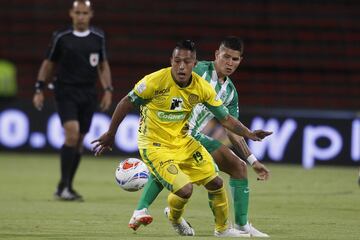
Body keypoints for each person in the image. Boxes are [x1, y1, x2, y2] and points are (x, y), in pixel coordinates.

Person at [92, 40, 272, 237]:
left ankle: (233, 228)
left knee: (225, 176)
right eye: (226, 57)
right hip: (164, 139)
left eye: (234, 59)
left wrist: (251, 148)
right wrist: (111, 134)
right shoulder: (184, 73)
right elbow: (128, 101)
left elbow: (228, 123)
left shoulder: (223, 91)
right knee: (181, 183)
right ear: (215, 55)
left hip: (185, 138)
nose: (229, 62)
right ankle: (145, 210)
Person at [32, 0, 113, 201]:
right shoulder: (61, 37)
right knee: (72, 134)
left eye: (84, 13)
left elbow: (102, 65)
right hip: (65, 91)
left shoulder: (98, 37)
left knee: (79, 142)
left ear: (91, 14)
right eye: (77, 12)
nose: (81, 16)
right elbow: (48, 63)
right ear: (71, 13)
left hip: (88, 93)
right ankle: (65, 187)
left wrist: (108, 90)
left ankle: (65, 186)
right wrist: (39, 88)